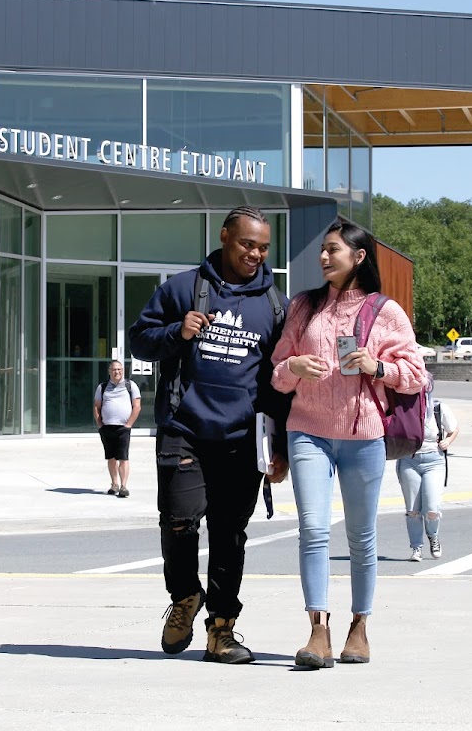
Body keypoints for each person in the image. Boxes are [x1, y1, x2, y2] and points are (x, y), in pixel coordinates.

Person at [128, 206, 290, 665]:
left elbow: (278, 381)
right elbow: (140, 340)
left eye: (263, 247)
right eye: (246, 244)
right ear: (224, 237)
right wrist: (177, 333)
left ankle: (222, 630)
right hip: (184, 429)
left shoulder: (276, 306)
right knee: (178, 522)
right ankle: (184, 596)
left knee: (229, 535)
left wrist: (279, 446)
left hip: (242, 437)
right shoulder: (183, 288)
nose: (255, 254)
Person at [270, 217, 425, 670]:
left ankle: (360, 626)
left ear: (358, 257)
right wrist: (294, 366)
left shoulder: (386, 311)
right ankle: (318, 629)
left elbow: (416, 377)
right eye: (322, 249)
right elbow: (277, 375)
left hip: (364, 439)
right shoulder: (303, 306)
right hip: (308, 432)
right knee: (314, 530)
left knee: (361, 537)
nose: (323, 257)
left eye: (332, 250)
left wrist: (378, 368)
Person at [397, 373, 459, 562]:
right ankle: (416, 548)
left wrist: (448, 441)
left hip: (434, 461)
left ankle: (433, 537)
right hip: (409, 460)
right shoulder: (403, 408)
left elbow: (454, 428)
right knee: (413, 509)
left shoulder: (439, 408)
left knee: (432, 507)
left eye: (423, 387)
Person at [93, 360, 141, 497]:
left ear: (123, 371)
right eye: (114, 370)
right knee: (111, 458)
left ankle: (124, 486)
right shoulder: (102, 387)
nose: (117, 372)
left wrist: (129, 425)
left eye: (119, 370)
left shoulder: (130, 386)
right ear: (109, 371)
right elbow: (97, 407)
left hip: (123, 428)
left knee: (123, 458)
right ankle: (114, 484)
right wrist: (100, 425)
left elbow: (137, 406)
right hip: (107, 428)